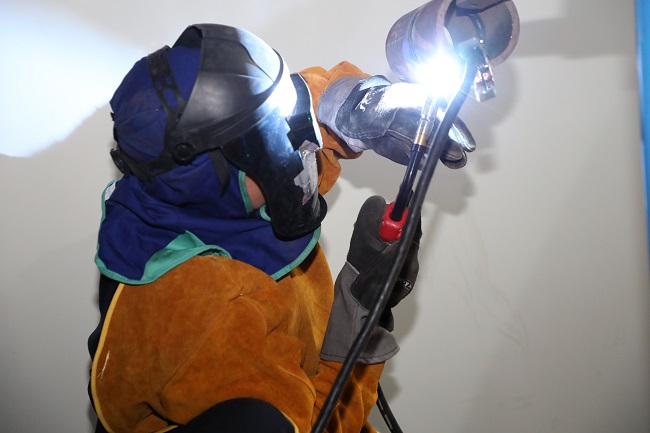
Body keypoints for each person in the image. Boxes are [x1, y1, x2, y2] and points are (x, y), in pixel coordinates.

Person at [88, 23, 474, 433]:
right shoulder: (205, 319)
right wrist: (361, 317)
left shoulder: (198, 188)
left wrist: (355, 103)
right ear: (212, 175)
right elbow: (317, 424)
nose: (297, 151)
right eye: (272, 143)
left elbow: (273, 110)